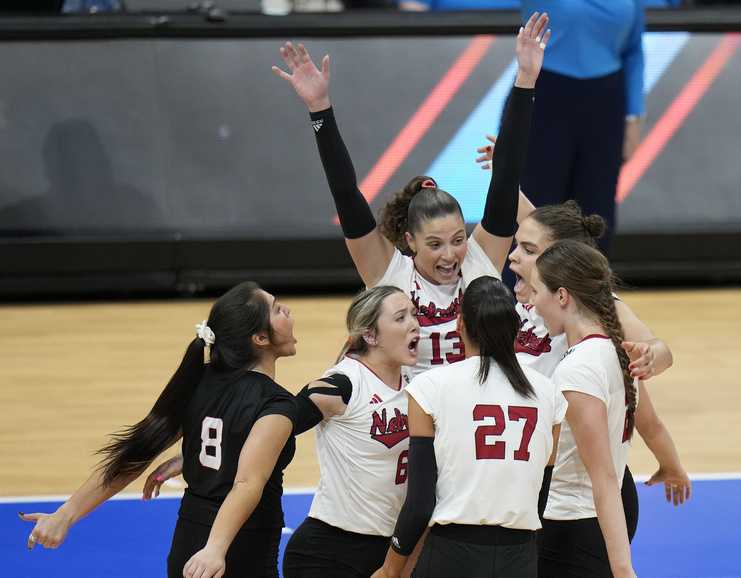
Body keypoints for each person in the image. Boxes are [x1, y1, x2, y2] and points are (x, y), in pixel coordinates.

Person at [271, 11, 549, 380]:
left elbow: (506, 175)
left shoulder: (479, 259)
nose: (450, 255)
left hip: (470, 416)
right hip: (411, 419)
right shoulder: (389, 272)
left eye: (456, 240)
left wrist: (525, 79)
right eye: (434, 244)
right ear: (409, 242)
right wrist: (319, 110)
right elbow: (346, 195)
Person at [21, 281, 300, 578]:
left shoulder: (198, 381)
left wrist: (65, 514)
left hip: (188, 544)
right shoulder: (276, 403)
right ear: (259, 338)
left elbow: (139, 451)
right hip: (236, 550)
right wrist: (216, 549)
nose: (288, 311)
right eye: (277, 309)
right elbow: (246, 484)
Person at [512, 202, 691, 543]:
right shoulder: (534, 297)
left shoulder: (596, 311)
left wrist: (651, 356)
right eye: (517, 245)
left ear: (562, 259)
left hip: (578, 497)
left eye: (528, 250)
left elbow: (658, 354)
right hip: (537, 486)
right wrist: (504, 173)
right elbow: (535, 220)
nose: (513, 256)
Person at [372, 276, 567, 578]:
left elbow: (421, 503)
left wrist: (389, 569)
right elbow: (540, 491)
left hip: (452, 554)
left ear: (460, 324)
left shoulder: (429, 387)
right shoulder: (548, 392)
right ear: (514, 328)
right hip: (520, 556)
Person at [281, 286, 422, 577]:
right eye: (400, 318)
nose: (414, 323)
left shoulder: (416, 387)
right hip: (328, 552)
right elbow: (274, 426)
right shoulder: (343, 385)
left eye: (414, 314)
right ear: (370, 336)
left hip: (389, 551)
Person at [528, 240, 641, 578]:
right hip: (585, 525)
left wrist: (622, 569)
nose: (532, 304)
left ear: (562, 296)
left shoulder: (578, 370)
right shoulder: (612, 351)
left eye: (537, 292)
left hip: (571, 529)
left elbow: (604, 476)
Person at [516, 0, 647, 256]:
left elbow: (633, 50)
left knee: (597, 211)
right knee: (537, 208)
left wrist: (633, 117)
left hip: (606, 102)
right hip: (546, 96)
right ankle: (524, 292)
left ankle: (589, 291)